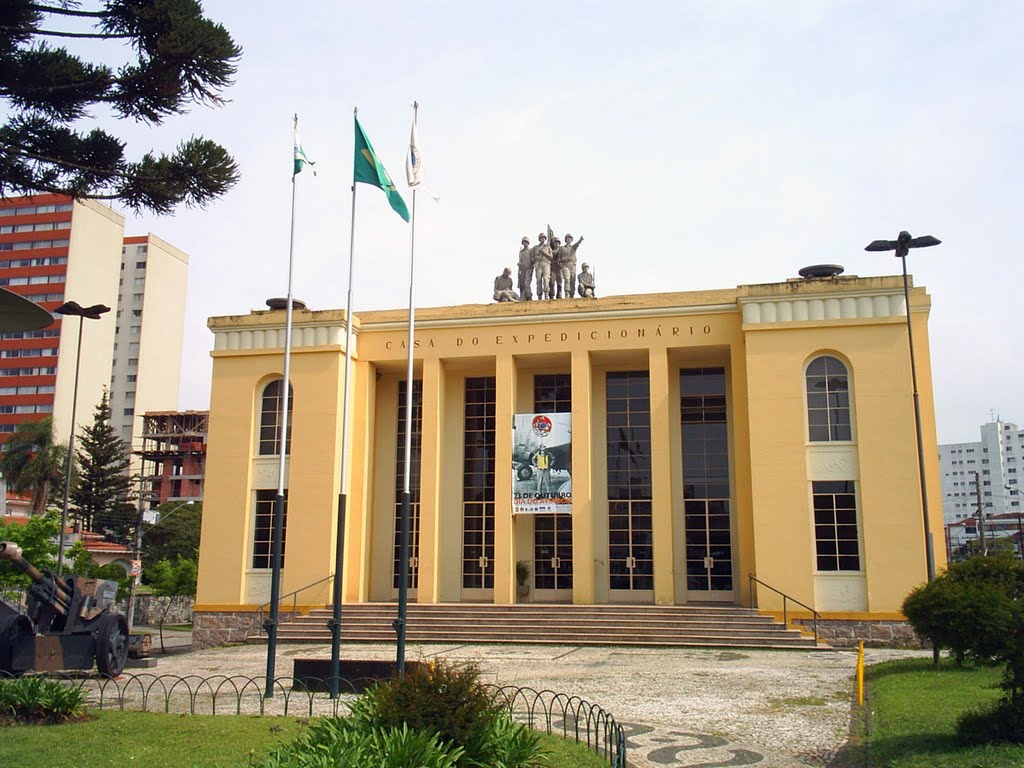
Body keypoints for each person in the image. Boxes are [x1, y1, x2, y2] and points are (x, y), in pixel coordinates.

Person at [531, 232, 554, 300]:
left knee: (546, 279)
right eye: (541, 238)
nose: (542, 239)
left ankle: (546, 294)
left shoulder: (547, 247)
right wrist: (536, 258)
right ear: (539, 239)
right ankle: (539, 295)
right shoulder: (535, 247)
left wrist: (544, 252)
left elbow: (551, 257)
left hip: (546, 264)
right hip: (538, 264)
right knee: (538, 280)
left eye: (544, 238)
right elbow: (532, 259)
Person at [564, 234, 584, 298]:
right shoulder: (563, 248)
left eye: (570, 238)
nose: (569, 240)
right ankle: (566, 293)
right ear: (565, 240)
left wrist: (580, 240)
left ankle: (571, 294)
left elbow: (577, 244)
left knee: (573, 280)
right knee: (567, 279)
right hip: (566, 265)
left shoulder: (573, 247)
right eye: (568, 238)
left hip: (572, 265)